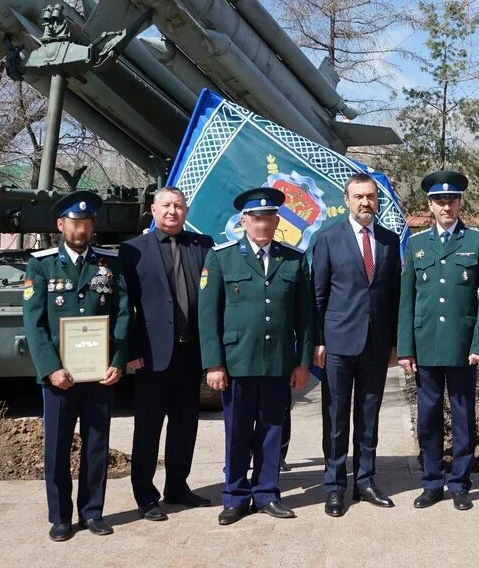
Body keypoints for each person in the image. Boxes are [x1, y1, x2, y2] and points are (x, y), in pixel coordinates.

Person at [200, 187, 314, 524]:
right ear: (244, 221)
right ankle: (234, 496)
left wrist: (302, 361)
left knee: (271, 431)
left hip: (278, 362)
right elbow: (208, 316)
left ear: (276, 220)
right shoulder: (221, 257)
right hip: (236, 364)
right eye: (256, 218)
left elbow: (305, 318)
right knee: (237, 432)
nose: (262, 224)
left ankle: (266, 494)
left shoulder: (293, 259)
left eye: (268, 218)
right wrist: (214, 363)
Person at [22, 190, 129, 541]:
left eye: (86, 223)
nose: (81, 229)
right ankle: (60, 517)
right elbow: (34, 323)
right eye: (74, 223)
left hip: (99, 374)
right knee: (57, 446)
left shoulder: (110, 264)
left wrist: (117, 361)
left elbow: (124, 315)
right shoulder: (42, 264)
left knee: (97, 445)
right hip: (60, 376)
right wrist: (51, 367)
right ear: (60, 225)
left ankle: (93, 512)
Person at [397, 170, 479, 510]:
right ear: (430, 206)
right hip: (425, 345)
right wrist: (405, 348)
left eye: (451, 200)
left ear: (459, 203)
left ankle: (461, 483)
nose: (446, 207)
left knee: (464, 415)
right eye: (440, 201)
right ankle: (431, 482)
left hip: (462, 345)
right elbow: (406, 299)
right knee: (427, 417)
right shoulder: (416, 243)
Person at [120, 186, 213, 521]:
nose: (173, 211)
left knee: (185, 425)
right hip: (151, 356)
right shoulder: (132, 250)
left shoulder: (203, 246)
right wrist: (130, 350)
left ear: (186, 210)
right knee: (148, 428)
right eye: (166, 205)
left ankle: (178, 486)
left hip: (191, 354)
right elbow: (123, 306)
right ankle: (145, 496)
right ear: (153, 210)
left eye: (179, 205)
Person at [312, 173, 402, 517]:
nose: (366, 202)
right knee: (335, 418)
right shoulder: (328, 239)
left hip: (376, 344)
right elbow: (318, 293)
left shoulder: (390, 241)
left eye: (371, 197)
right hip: (337, 343)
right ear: (347, 200)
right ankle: (334, 487)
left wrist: (394, 340)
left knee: (368, 417)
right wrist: (318, 340)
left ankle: (365, 480)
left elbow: (393, 296)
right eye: (359, 196)